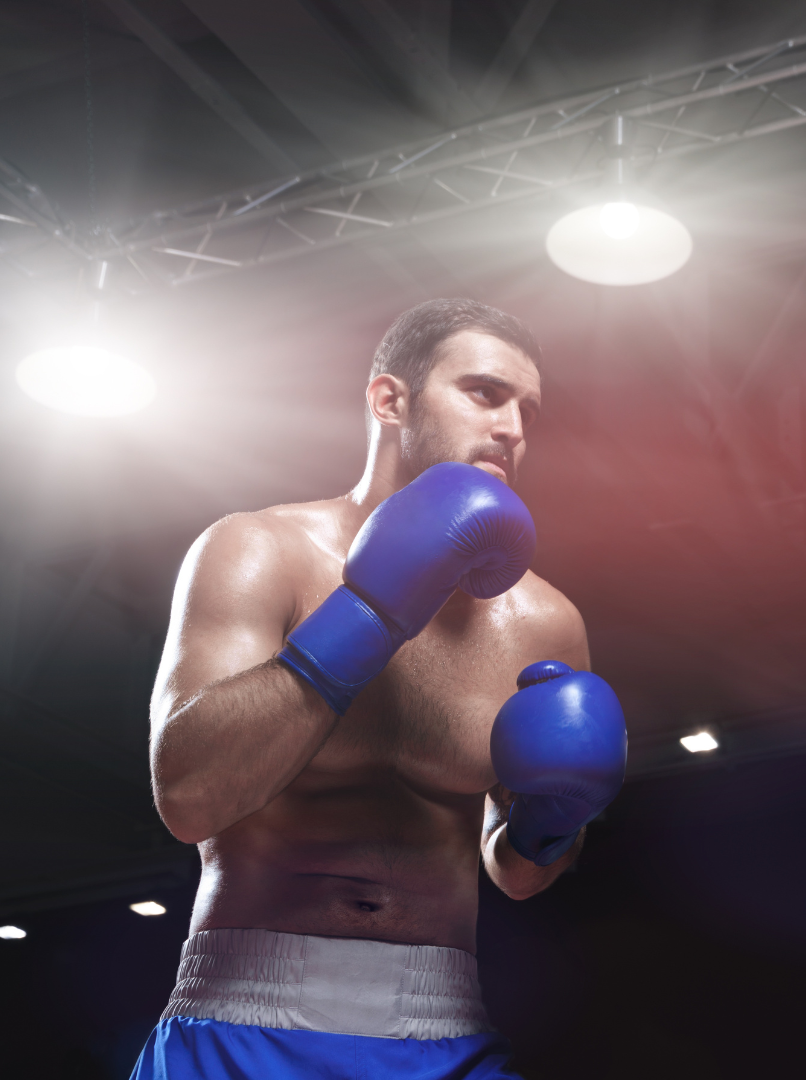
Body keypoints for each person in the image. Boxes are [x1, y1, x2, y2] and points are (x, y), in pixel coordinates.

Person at [133, 299, 626, 1079]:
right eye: (485, 393)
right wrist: (370, 612)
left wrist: (550, 826)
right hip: (242, 1021)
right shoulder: (259, 550)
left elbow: (518, 877)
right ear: (390, 400)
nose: (513, 429)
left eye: (528, 409)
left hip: (446, 1032)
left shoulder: (545, 620)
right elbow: (188, 797)